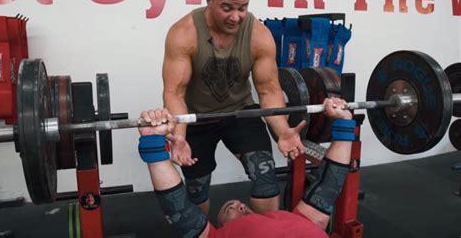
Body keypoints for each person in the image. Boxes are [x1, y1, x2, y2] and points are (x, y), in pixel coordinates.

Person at [162, 0, 304, 215]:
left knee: (265, 176)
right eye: (227, 8)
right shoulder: (184, 33)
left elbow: (268, 89)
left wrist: (282, 130)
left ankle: (265, 233)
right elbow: (175, 93)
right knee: (197, 190)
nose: (236, 17)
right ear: (209, 0)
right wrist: (181, 134)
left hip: (240, 113)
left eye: (242, 8)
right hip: (197, 117)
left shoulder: (258, 35)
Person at [138, 97, 354, 238]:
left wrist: (345, 120)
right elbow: (177, 207)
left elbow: (330, 183)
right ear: (220, 226)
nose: (239, 205)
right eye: (229, 209)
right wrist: (153, 141)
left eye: (231, 206)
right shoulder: (214, 236)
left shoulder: (302, 219)